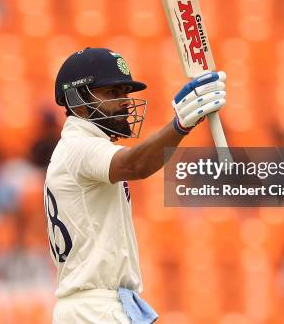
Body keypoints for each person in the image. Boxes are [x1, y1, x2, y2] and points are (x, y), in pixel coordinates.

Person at [45, 47, 227, 323]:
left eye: (125, 93)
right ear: (78, 102)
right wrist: (181, 124)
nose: (126, 102)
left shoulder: (77, 147)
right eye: (112, 93)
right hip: (94, 310)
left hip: (95, 307)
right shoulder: (78, 146)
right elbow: (134, 165)